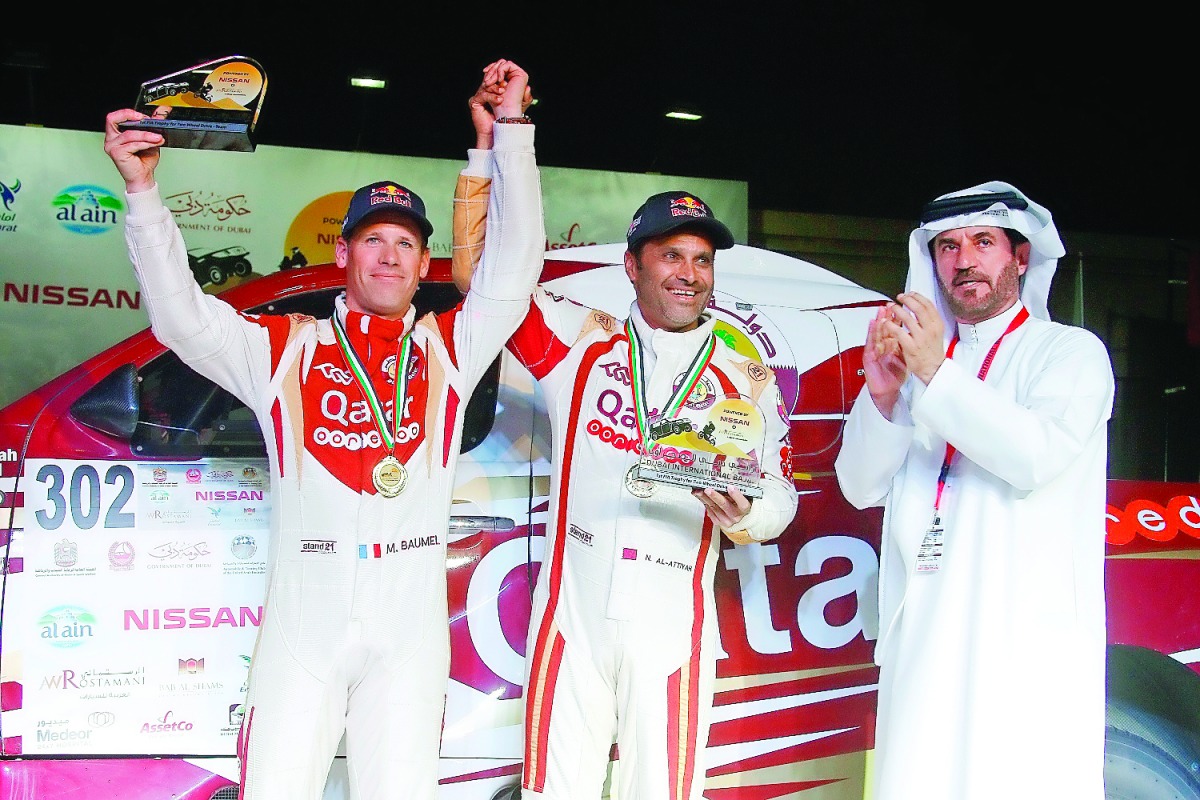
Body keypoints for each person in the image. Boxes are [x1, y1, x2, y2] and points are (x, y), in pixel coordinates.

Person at [102, 59, 543, 800]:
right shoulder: (285, 348)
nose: (390, 255)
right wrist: (143, 193)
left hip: (408, 623)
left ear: (422, 261)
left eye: (406, 243)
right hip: (307, 615)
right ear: (342, 253)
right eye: (373, 239)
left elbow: (512, 271)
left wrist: (510, 139)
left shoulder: (449, 347)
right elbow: (180, 318)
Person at [452, 168, 798, 797]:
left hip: (671, 624)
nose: (688, 273)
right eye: (670, 256)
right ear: (632, 266)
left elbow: (780, 495)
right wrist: (502, 143)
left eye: (701, 259)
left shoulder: (745, 377)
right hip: (572, 618)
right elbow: (482, 280)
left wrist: (746, 513)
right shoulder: (583, 343)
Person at [834, 181, 1114, 799]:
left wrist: (934, 371)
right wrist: (883, 396)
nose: (963, 261)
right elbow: (858, 486)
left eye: (982, 243)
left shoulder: (1067, 352)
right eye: (947, 247)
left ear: (1020, 256)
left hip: (1018, 643)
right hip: (924, 638)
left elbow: (1033, 456)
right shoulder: (920, 366)